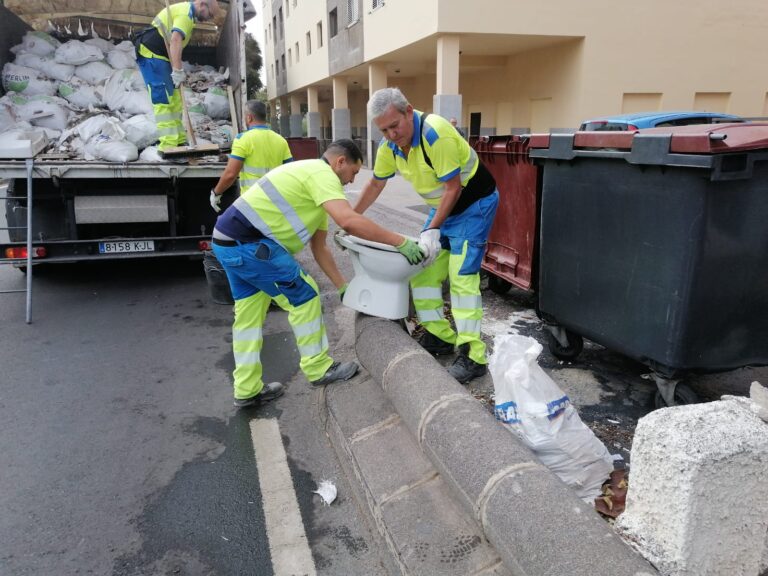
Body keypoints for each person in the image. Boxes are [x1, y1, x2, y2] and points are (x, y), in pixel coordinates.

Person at [212, 139, 425, 408]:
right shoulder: (322, 175)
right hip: (251, 246)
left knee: (248, 318)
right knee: (305, 296)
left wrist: (342, 286)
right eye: (354, 172)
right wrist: (399, 242)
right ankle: (319, 368)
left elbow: (320, 247)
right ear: (340, 162)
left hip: (227, 243)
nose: (352, 180)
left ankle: (246, 388)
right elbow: (348, 221)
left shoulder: (311, 181)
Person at [355, 88, 498, 384]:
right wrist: (351, 218)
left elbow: (453, 187)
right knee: (422, 272)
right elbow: (376, 184)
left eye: (395, 126)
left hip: (473, 205)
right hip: (443, 208)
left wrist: (432, 228)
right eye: (384, 130)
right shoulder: (390, 146)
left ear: (409, 111)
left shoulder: (435, 134)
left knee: (462, 278)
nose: (391, 135)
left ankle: (474, 356)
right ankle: (440, 336)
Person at [133, 0, 218, 152]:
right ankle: (169, 144)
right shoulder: (185, 15)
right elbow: (175, 40)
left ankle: (179, 140)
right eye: (210, 14)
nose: (208, 19)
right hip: (152, 54)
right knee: (163, 99)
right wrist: (177, 71)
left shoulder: (188, 15)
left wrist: (177, 70)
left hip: (161, 56)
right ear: (202, 4)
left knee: (175, 98)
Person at [210, 100, 292, 212]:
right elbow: (290, 172)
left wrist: (216, 193)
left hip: (252, 203)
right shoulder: (281, 140)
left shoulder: (243, 139)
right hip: (275, 202)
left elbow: (230, 174)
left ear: (249, 118)